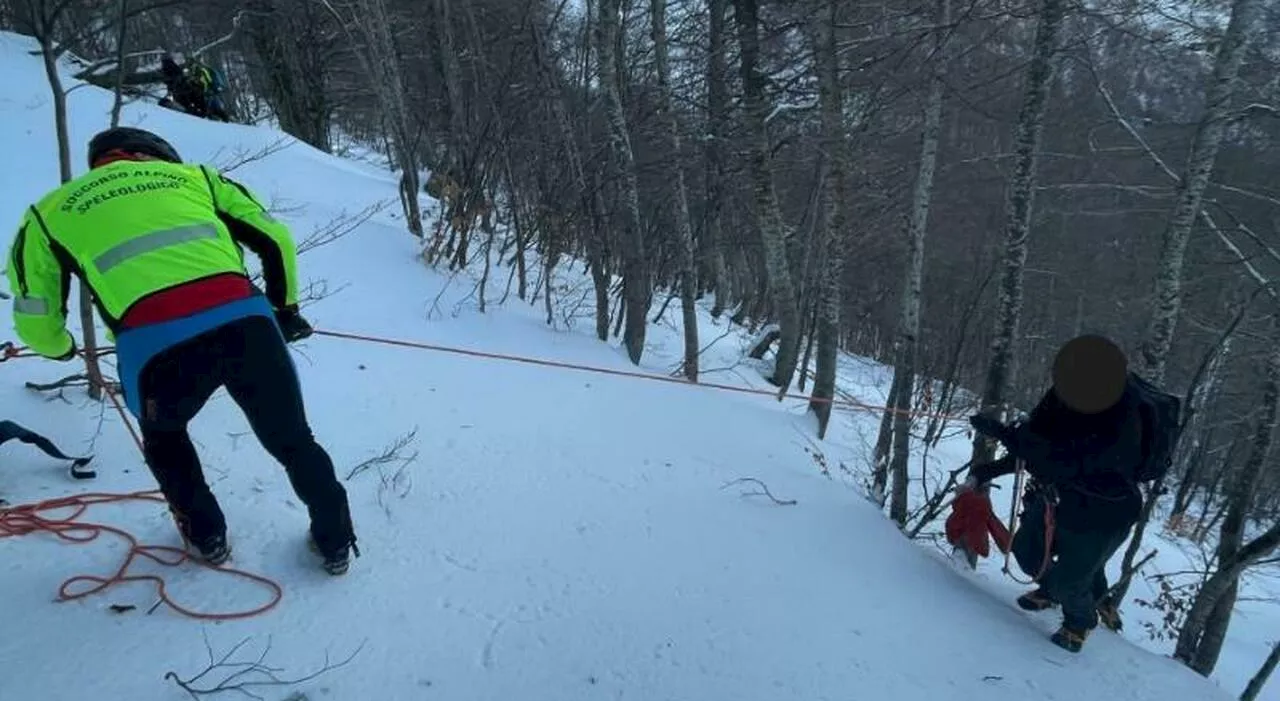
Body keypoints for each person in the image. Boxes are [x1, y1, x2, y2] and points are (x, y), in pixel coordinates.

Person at [4, 127, 358, 575]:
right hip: (246, 324)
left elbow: (34, 307)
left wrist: (58, 348)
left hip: (154, 344)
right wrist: (285, 311)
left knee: (165, 438)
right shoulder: (198, 178)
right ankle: (335, 541)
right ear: (154, 156)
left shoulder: (48, 212)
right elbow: (277, 240)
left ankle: (206, 536)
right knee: (293, 439)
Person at [962, 334, 1146, 652]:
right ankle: (1054, 590)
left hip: (1105, 513)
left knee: (1071, 580)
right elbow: (1035, 443)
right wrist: (989, 469)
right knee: (1026, 551)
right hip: (1060, 499)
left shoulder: (1124, 418)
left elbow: (1060, 461)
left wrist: (1007, 435)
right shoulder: (1062, 396)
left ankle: (1079, 622)